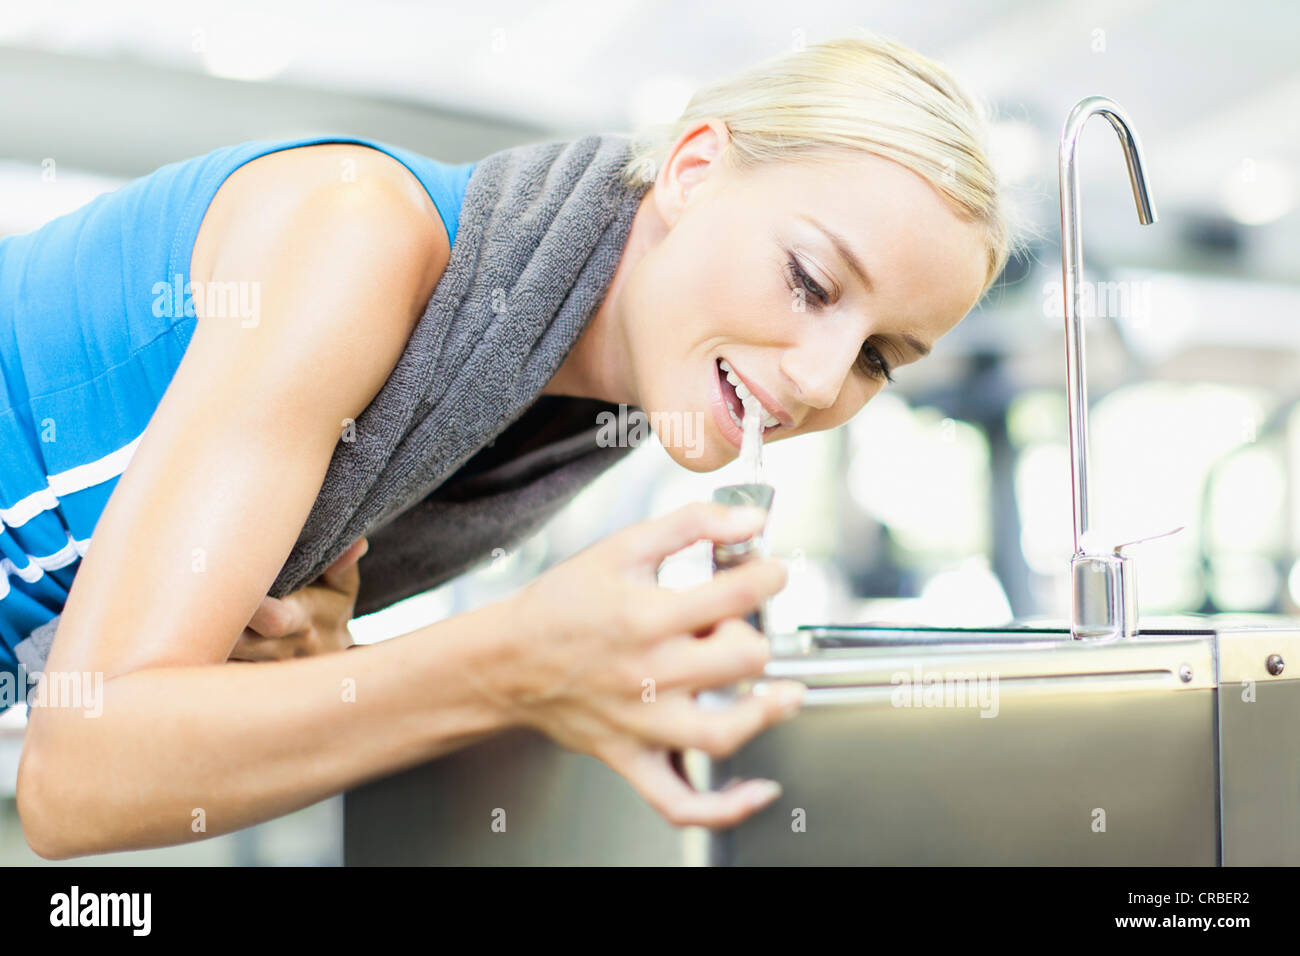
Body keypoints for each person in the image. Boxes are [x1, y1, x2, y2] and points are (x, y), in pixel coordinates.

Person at [6, 30, 1012, 858]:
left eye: (880, 355)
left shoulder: (550, 416)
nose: (819, 379)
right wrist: (509, 658)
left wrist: (325, 672)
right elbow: (77, 777)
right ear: (694, 167)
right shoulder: (355, 234)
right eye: (810, 280)